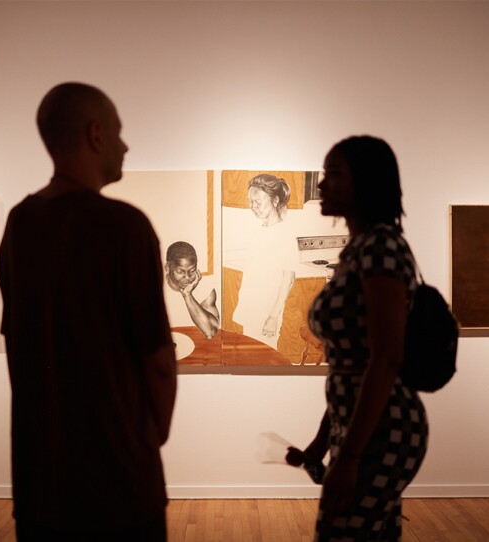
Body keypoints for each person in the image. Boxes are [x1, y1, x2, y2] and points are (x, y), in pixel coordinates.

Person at [0, 82, 177, 541]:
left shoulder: (19, 225)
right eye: (118, 132)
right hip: (119, 481)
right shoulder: (124, 226)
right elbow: (157, 359)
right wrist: (149, 436)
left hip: (41, 480)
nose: (125, 144)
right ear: (95, 134)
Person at [300, 136, 428, 541]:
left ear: (367, 183)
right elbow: (348, 364)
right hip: (359, 424)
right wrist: (322, 442)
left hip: (384, 428)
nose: (322, 185)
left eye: (334, 175)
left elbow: (385, 358)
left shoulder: (381, 248)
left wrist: (350, 455)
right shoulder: (358, 250)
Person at [231, 174, 298, 349]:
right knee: (251, 355)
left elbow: (288, 280)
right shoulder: (260, 230)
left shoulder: (285, 234)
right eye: (250, 201)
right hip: (252, 307)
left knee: (264, 357)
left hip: (267, 311)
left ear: (275, 200)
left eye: (257, 202)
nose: (253, 206)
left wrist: (273, 317)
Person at [165, 241, 219, 339]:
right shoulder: (153, 290)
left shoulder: (207, 290)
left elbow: (210, 332)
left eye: (192, 271)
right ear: (167, 268)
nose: (187, 277)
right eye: (180, 271)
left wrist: (187, 295)